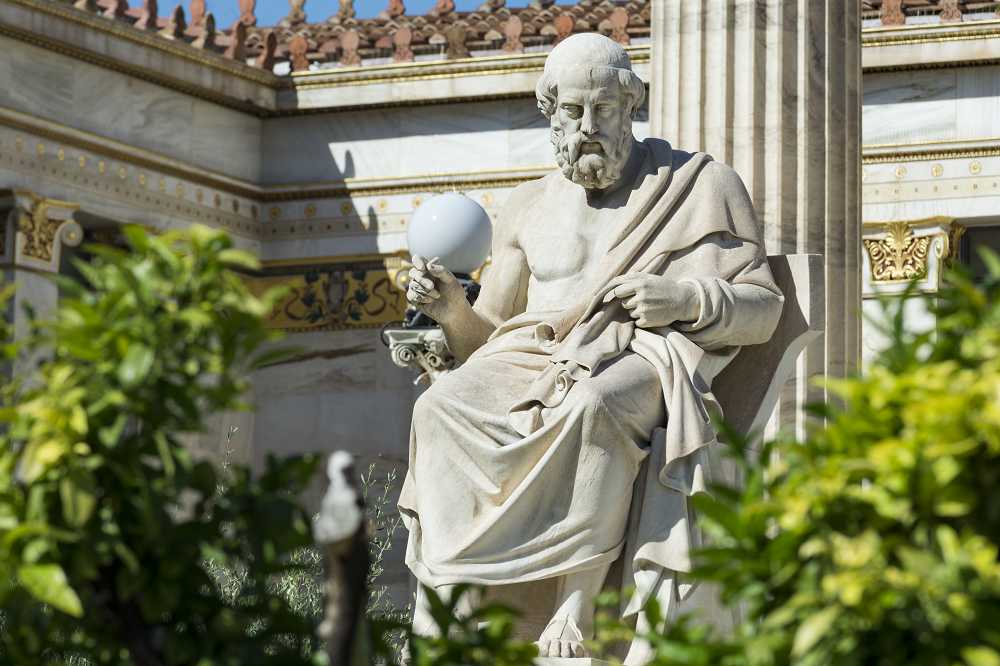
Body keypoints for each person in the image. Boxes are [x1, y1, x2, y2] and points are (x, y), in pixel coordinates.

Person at [398, 32, 784, 662]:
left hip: (635, 351)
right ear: (550, 112)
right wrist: (449, 310)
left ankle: (573, 606)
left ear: (632, 104)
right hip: (530, 355)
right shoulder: (527, 205)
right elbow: (487, 334)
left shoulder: (700, 185)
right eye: (573, 111)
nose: (588, 127)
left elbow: (763, 308)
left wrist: (683, 300)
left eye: (604, 109)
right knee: (438, 407)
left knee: (592, 403)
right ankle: (456, 599)